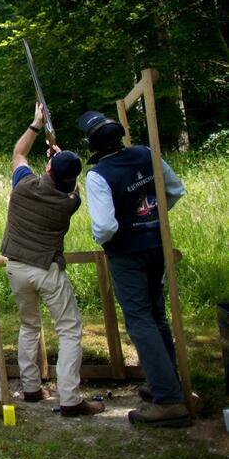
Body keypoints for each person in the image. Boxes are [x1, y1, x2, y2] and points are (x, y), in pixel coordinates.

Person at [80, 110, 191, 428]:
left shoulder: (99, 174)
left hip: (127, 253)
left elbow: (104, 227)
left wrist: (122, 231)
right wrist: (154, 218)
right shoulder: (145, 153)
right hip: (157, 244)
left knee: (140, 320)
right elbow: (174, 191)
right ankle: (165, 381)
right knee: (156, 315)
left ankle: (169, 400)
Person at [0, 103, 103, 416]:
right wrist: (59, 162)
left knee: (29, 326)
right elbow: (73, 187)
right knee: (69, 329)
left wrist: (35, 124)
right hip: (47, 269)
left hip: (16, 268)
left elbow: (18, 154)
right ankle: (69, 398)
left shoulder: (23, 187)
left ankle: (31, 388)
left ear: (46, 170)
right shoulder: (70, 202)